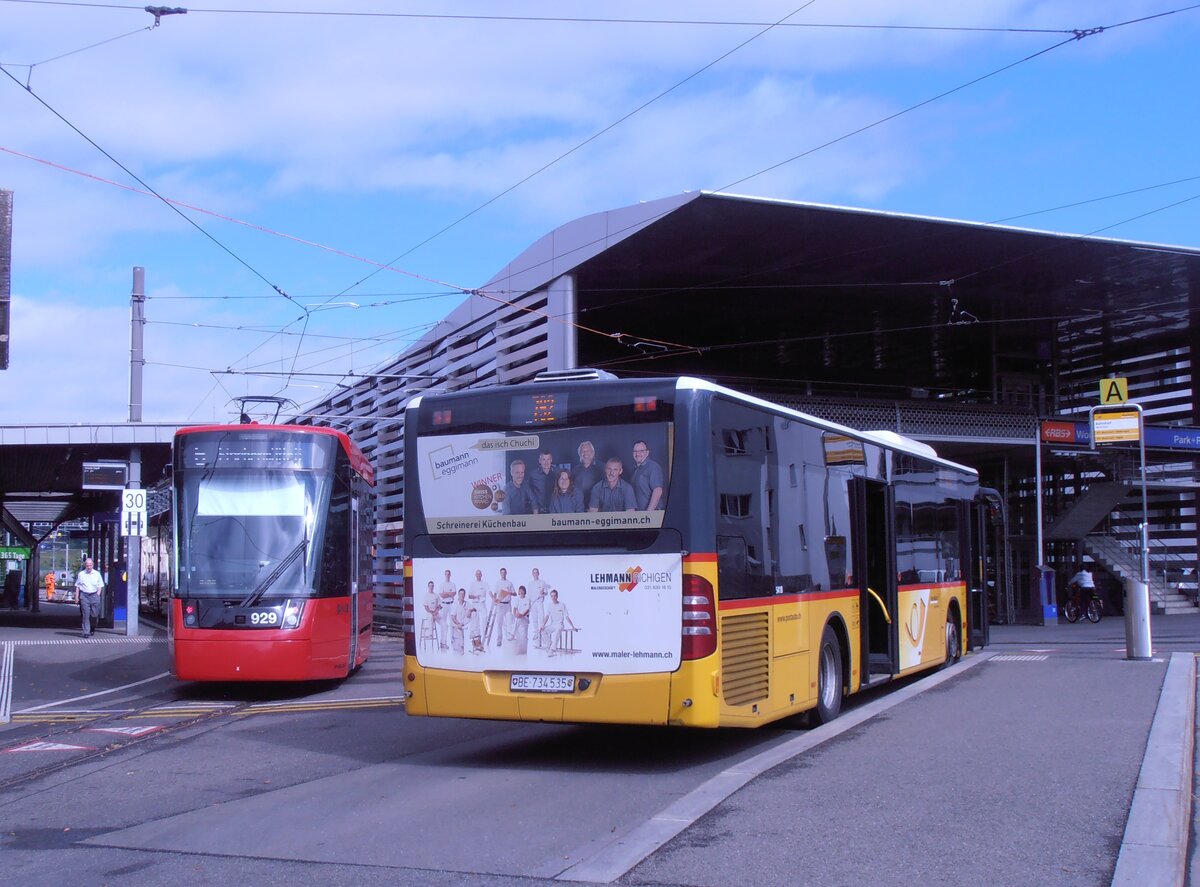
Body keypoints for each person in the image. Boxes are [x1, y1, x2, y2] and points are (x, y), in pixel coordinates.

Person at [540, 589, 579, 655]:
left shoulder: (562, 604)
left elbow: (567, 617)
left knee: (557, 630)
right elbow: (547, 616)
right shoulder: (549, 605)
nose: (553, 598)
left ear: (557, 596)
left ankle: (552, 650)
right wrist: (543, 625)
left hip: (560, 625)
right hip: (552, 625)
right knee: (542, 630)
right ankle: (550, 645)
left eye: (555, 596)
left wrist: (573, 626)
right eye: (552, 596)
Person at [631, 440, 665, 511]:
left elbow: (658, 490)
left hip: (652, 514)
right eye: (635, 451)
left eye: (641, 451)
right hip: (640, 516)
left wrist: (649, 513)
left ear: (647, 452)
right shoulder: (636, 469)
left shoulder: (653, 467)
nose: (638, 454)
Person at [75, 557, 105, 637]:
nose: (89, 567)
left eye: (90, 565)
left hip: (94, 595)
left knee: (94, 615)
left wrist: (98, 594)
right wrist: (77, 597)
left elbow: (100, 585)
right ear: (85, 565)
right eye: (87, 565)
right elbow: (78, 586)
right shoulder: (81, 574)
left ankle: (93, 627)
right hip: (84, 596)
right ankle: (86, 632)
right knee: (85, 614)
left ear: (93, 565)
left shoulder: (97, 574)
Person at [572, 441, 603, 510]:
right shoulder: (575, 469)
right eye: (583, 451)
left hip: (596, 507)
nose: (585, 453)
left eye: (588, 451)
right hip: (578, 506)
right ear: (580, 454)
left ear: (592, 452)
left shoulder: (601, 467)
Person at [490, 567, 515, 645]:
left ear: (506, 573)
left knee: (509, 622)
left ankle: (508, 639)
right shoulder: (498, 583)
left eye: (504, 572)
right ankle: (499, 640)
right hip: (500, 605)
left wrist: (509, 593)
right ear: (500, 574)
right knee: (499, 623)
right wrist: (494, 600)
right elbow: (494, 594)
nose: (503, 574)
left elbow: (515, 593)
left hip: (508, 605)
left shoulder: (509, 583)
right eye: (502, 572)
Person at [527, 449, 556, 513]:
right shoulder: (533, 475)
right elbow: (529, 493)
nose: (546, 462)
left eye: (548, 459)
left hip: (554, 511)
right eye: (544, 459)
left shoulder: (557, 474)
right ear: (540, 461)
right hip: (538, 512)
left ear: (551, 460)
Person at [511, 585, 531, 654]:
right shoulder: (517, 599)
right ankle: (513, 634)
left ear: (525, 592)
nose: (521, 592)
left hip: (525, 618)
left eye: (522, 591)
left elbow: (527, 610)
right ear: (518, 592)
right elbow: (514, 609)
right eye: (520, 591)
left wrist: (521, 615)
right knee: (517, 620)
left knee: (523, 637)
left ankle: (512, 633)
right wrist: (515, 615)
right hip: (518, 618)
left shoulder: (527, 599)